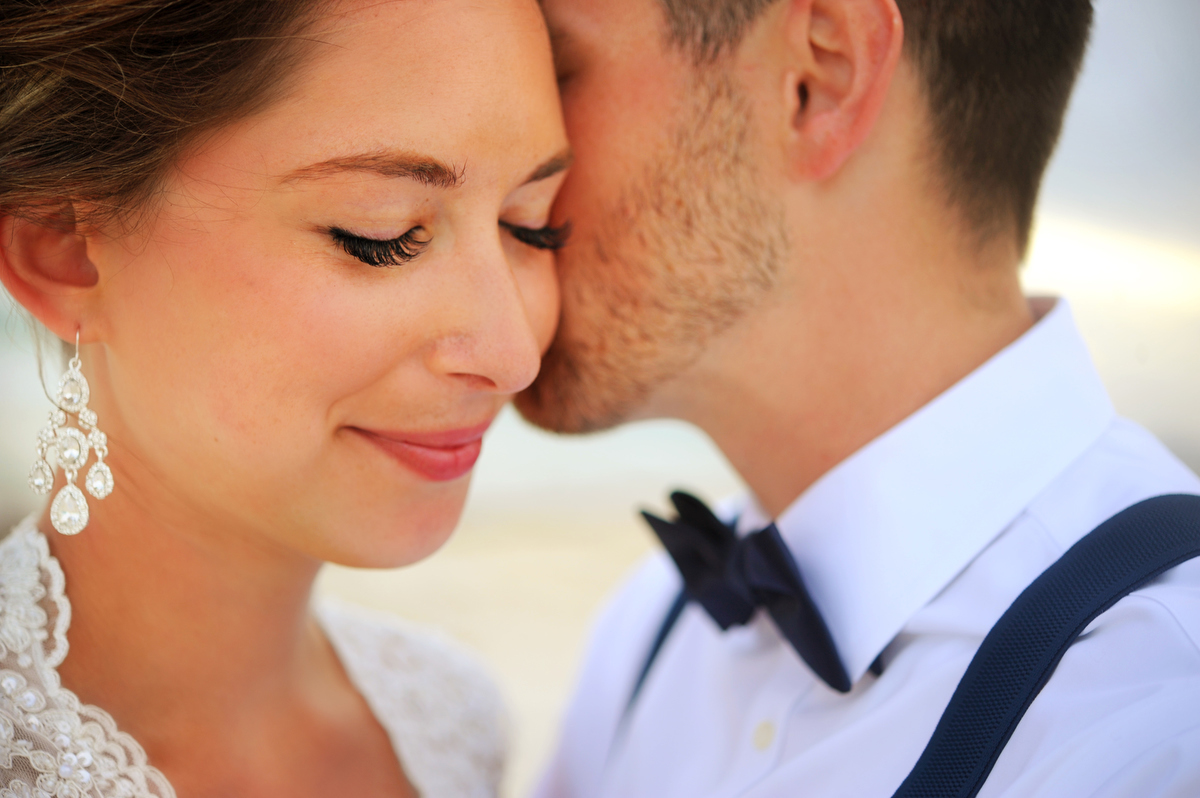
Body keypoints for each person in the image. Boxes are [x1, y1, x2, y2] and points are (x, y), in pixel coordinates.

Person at [520, 0, 1200, 796]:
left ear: (819, 77)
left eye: (559, 69)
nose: (508, 167)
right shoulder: (645, 633)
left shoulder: (1157, 713)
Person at [0, 0, 569, 795]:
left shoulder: (454, 722)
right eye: (382, 235)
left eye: (532, 227)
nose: (512, 357)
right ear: (65, 252)